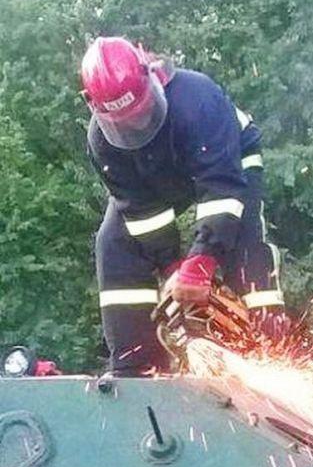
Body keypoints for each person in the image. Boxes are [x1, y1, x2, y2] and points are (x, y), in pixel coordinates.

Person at [81, 36, 285, 375]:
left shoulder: (197, 98)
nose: (136, 125)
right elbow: (142, 212)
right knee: (113, 243)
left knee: (243, 240)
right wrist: (174, 267)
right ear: (94, 105)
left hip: (228, 159)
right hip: (156, 175)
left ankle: (272, 346)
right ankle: (135, 367)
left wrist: (201, 262)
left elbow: (222, 190)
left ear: (151, 77)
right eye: (123, 123)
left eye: (141, 113)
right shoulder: (102, 143)